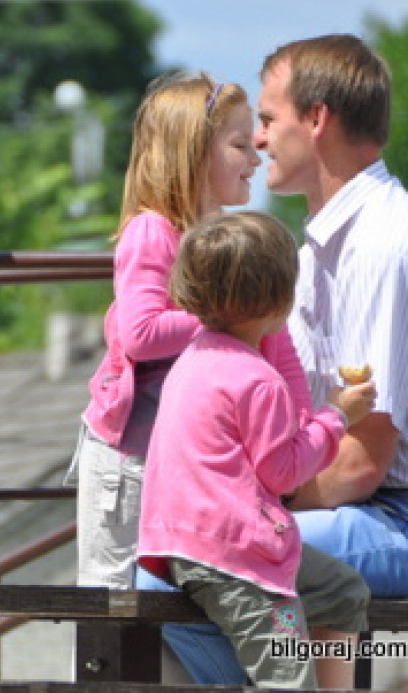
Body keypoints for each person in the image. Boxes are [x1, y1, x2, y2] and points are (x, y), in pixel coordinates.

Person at [155, 33, 408, 686]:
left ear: (317, 120)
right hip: (352, 502)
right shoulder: (310, 254)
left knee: (174, 567)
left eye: (268, 120)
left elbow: (362, 463)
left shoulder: (382, 246)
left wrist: (240, 505)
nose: (259, 139)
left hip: (392, 512)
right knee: (178, 555)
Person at [76, 72, 310, 589]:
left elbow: (278, 338)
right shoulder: (152, 231)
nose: (256, 157)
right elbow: (140, 333)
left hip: (189, 461)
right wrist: (228, 311)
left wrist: (299, 421)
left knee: (175, 598)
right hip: (130, 459)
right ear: (192, 151)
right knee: (112, 599)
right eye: (239, 145)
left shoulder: (231, 242)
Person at [138, 210, 373, 690]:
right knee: (286, 679)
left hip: (190, 542)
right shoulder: (257, 380)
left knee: (343, 589)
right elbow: (284, 472)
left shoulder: (196, 357)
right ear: (278, 300)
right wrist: (338, 418)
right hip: (238, 561)